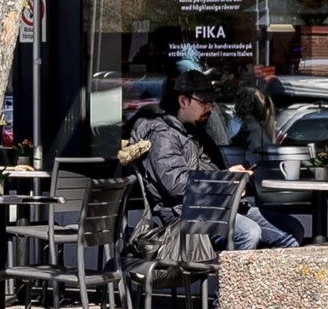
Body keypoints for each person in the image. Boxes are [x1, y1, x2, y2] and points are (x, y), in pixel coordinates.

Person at [127, 70, 301, 251]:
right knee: (248, 232)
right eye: (205, 103)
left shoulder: (192, 132)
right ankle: (236, 279)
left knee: (290, 230)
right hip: (185, 216)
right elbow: (176, 185)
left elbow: (207, 173)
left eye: (212, 102)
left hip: (214, 205)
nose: (211, 108)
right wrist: (225, 181)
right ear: (183, 101)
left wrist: (233, 181)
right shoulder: (161, 135)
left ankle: (264, 279)